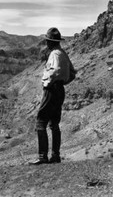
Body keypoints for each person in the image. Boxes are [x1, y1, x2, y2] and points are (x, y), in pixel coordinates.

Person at [30, 27, 76, 165]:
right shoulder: (63, 53)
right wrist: (63, 81)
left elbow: (54, 70)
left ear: (50, 41)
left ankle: (42, 156)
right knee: (54, 123)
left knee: (41, 121)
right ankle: (55, 155)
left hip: (52, 89)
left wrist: (48, 82)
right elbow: (72, 72)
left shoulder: (54, 54)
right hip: (60, 89)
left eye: (47, 41)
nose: (46, 43)